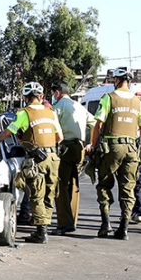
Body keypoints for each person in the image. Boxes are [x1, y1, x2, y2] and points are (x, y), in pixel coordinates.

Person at [85, 67, 141, 240]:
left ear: (118, 80)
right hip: (131, 150)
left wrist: (93, 144)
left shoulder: (108, 98)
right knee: (127, 188)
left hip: (111, 148)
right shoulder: (137, 102)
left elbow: (98, 125)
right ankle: (124, 228)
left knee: (104, 184)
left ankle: (106, 224)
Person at [0, 81, 63, 243]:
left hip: (36, 159)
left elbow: (8, 132)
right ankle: (44, 226)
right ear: (40, 96)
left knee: (37, 194)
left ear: (25, 97)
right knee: (49, 193)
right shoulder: (51, 112)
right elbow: (59, 137)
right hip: (53, 158)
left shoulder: (23, 113)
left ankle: (41, 232)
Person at [49, 81, 94, 235]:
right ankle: (72, 221)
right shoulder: (79, 106)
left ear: (57, 92)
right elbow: (94, 124)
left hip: (65, 147)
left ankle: (64, 224)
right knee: (74, 185)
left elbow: (53, 130)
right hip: (80, 148)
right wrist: (91, 143)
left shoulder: (57, 108)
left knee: (61, 186)